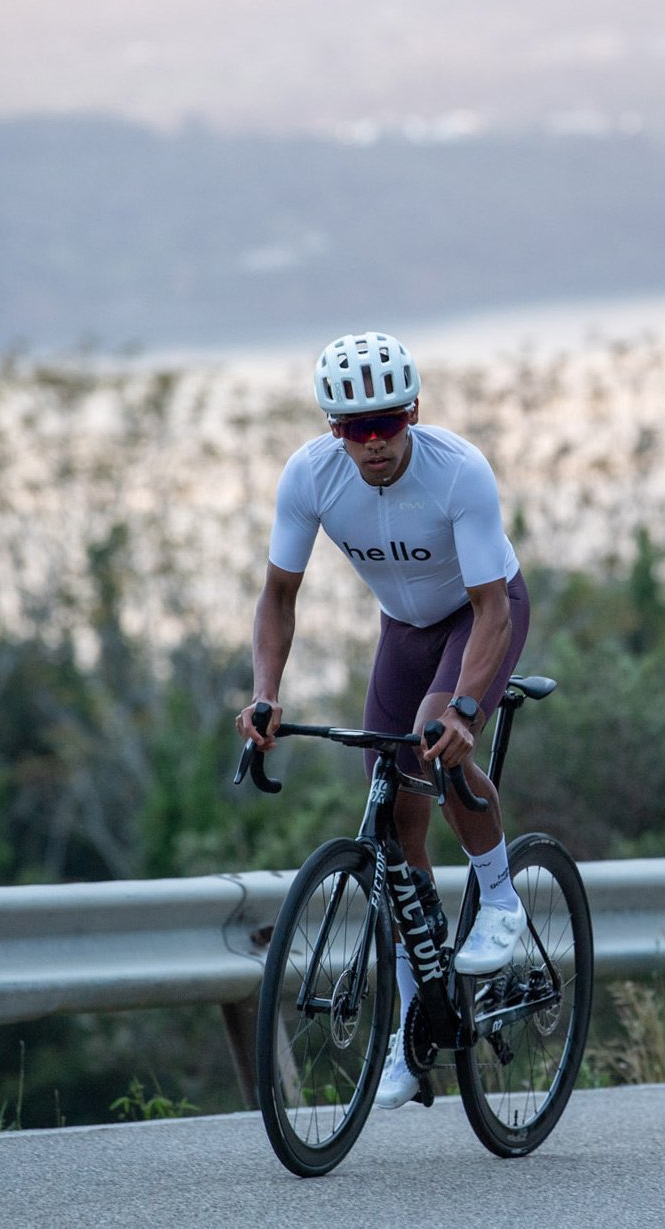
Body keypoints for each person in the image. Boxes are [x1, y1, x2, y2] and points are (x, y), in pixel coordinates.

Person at [234, 331, 531, 1110]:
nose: (372, 444)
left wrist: (466, 708)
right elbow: (278, 597)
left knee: (437, 745)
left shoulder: (458, 470)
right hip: (403, 632)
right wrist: (266, 691)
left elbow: (492, 603)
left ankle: (501, 898)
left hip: (479, 618)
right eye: (353, 429)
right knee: (395, 824)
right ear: (334, 430)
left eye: (387, 423)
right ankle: (414, 1023)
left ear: (413, 413)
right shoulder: (311, 476)